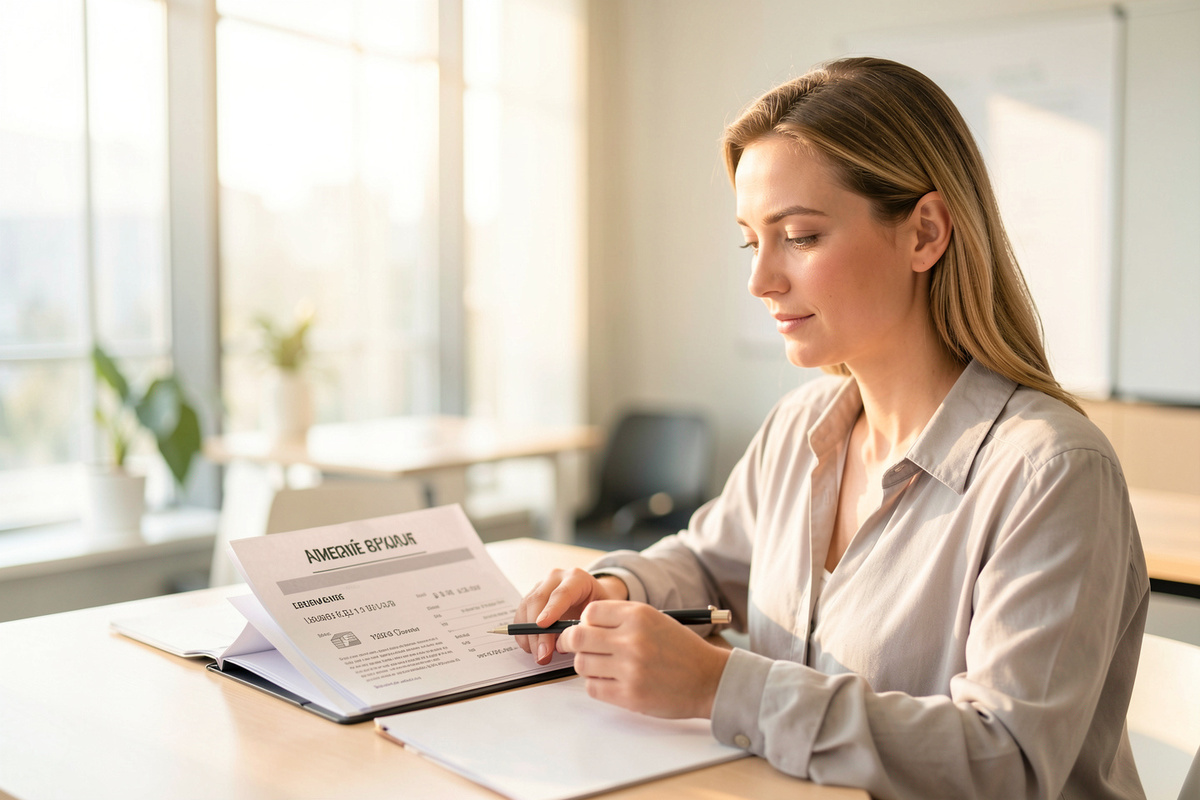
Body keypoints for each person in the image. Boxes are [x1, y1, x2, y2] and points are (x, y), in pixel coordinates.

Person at [513, 57, 1148, 800]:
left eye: (801, 236)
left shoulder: (1052, 471)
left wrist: (722, 687)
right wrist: (616, 586)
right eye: (752, 242)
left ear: (925, 233)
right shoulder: (801, 426)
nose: (761, 281)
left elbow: (1004, 761)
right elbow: (713, 565)